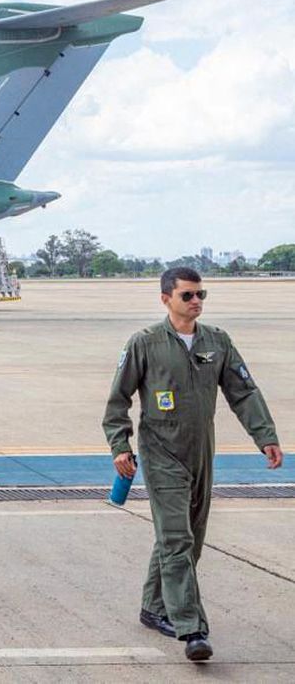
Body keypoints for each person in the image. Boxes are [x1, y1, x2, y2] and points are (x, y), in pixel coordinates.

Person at [103, 267, 282, 662]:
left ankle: (154, 607)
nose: (196, 300)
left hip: (201, 451)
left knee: (187, 537)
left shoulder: (217, 342)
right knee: (177, 540)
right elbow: (118, 400)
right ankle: (191, 628)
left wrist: (265, 436)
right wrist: (120, 444)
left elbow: (243, 391)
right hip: (161, 452)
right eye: (187, 295)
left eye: (201, 294)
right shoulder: (145, 343)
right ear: (165, 298)